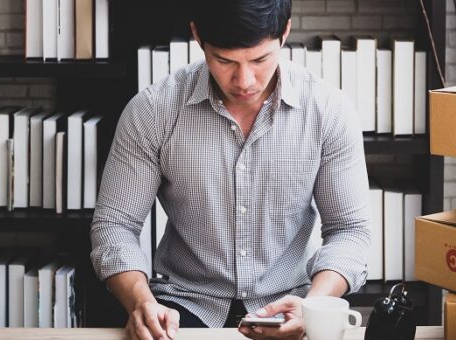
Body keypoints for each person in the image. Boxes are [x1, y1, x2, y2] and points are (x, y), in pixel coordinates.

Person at [89, 0, 371, 338]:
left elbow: (350, 230)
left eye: (260, 59)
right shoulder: (153, 111)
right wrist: (140, 301)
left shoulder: (329, 111)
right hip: (183, 308)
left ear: (285, 32)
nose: (244, 80)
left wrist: (314, 306)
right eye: (224, 61)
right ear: (197, 36)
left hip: (291, 304)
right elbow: (115, 224)